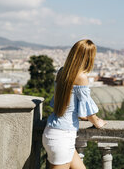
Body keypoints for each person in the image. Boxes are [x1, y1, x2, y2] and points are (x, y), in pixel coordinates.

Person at [42, 39, 107, 169]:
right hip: (62, 138)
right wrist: (97, 122)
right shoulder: (81, 77)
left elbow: (62, 103)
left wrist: (79, 115)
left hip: (54, 132)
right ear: (89, 57)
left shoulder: (61, 72)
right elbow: (88, 108)